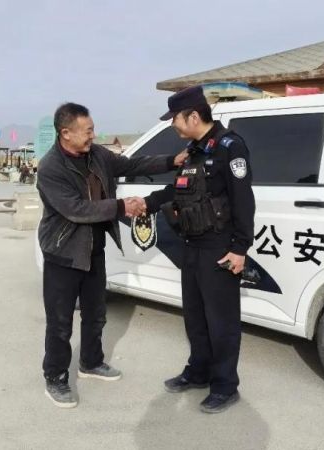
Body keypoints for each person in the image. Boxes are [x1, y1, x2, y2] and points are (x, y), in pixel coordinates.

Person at [37, 102, 187, 408]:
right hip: (63, 253)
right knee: (60, 323)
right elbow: (75, 209)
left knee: (96, 313)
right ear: (66, 133)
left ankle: (91, 362)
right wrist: (121, 206)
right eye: (87, 131)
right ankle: (55, 377)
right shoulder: (51, 167)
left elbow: (131, 165)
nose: (93, 135)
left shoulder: (97, 155)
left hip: (93, 250)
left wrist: (172, 160)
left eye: (92, 129)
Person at [142, 85, 256, 413]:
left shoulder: (229, 147)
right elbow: (177, 190)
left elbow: (243, 200)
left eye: (175, 119)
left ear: (193, 116)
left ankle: (225, 385)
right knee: (195, 317)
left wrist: (240, 248)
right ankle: (198, 371)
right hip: (191, 244)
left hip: (219, 247)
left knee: (221, 321)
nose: (172, 125)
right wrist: (146, 202)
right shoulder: (193, 151)